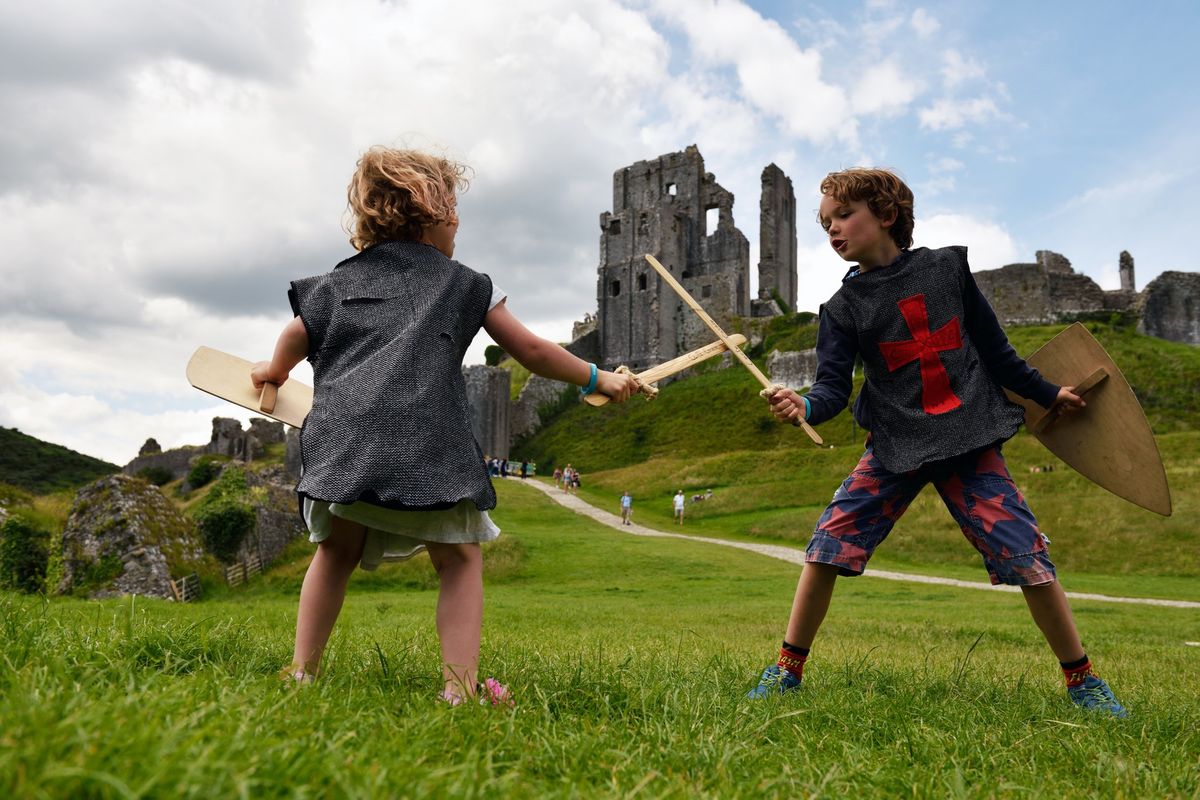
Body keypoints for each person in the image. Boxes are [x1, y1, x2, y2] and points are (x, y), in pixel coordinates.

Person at [252, 146, 638, 705]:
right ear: (436, 214)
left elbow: (295, 334)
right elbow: (530, 349)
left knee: (334, 553)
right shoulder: (464, 284)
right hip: (428, 444)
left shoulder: (333, 285)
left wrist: (274, 371)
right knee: (458, 560)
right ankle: (458, 689)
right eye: (455, 207)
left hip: (345, 442)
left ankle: (302, 671)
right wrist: (596, 378)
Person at [748, 168, 1127, 717]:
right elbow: (831, 389)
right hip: (894, 448)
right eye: (825, 222)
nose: (833, 230)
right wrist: (802, 405)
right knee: (827, 547)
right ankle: (786, 669)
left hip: (968, 441)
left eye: (843, 215)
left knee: (1028, 558)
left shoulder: (947, 270)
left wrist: (1048, 394)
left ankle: (1083, 681)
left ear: (886, 215)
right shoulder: (842, 309)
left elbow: (999, 357)